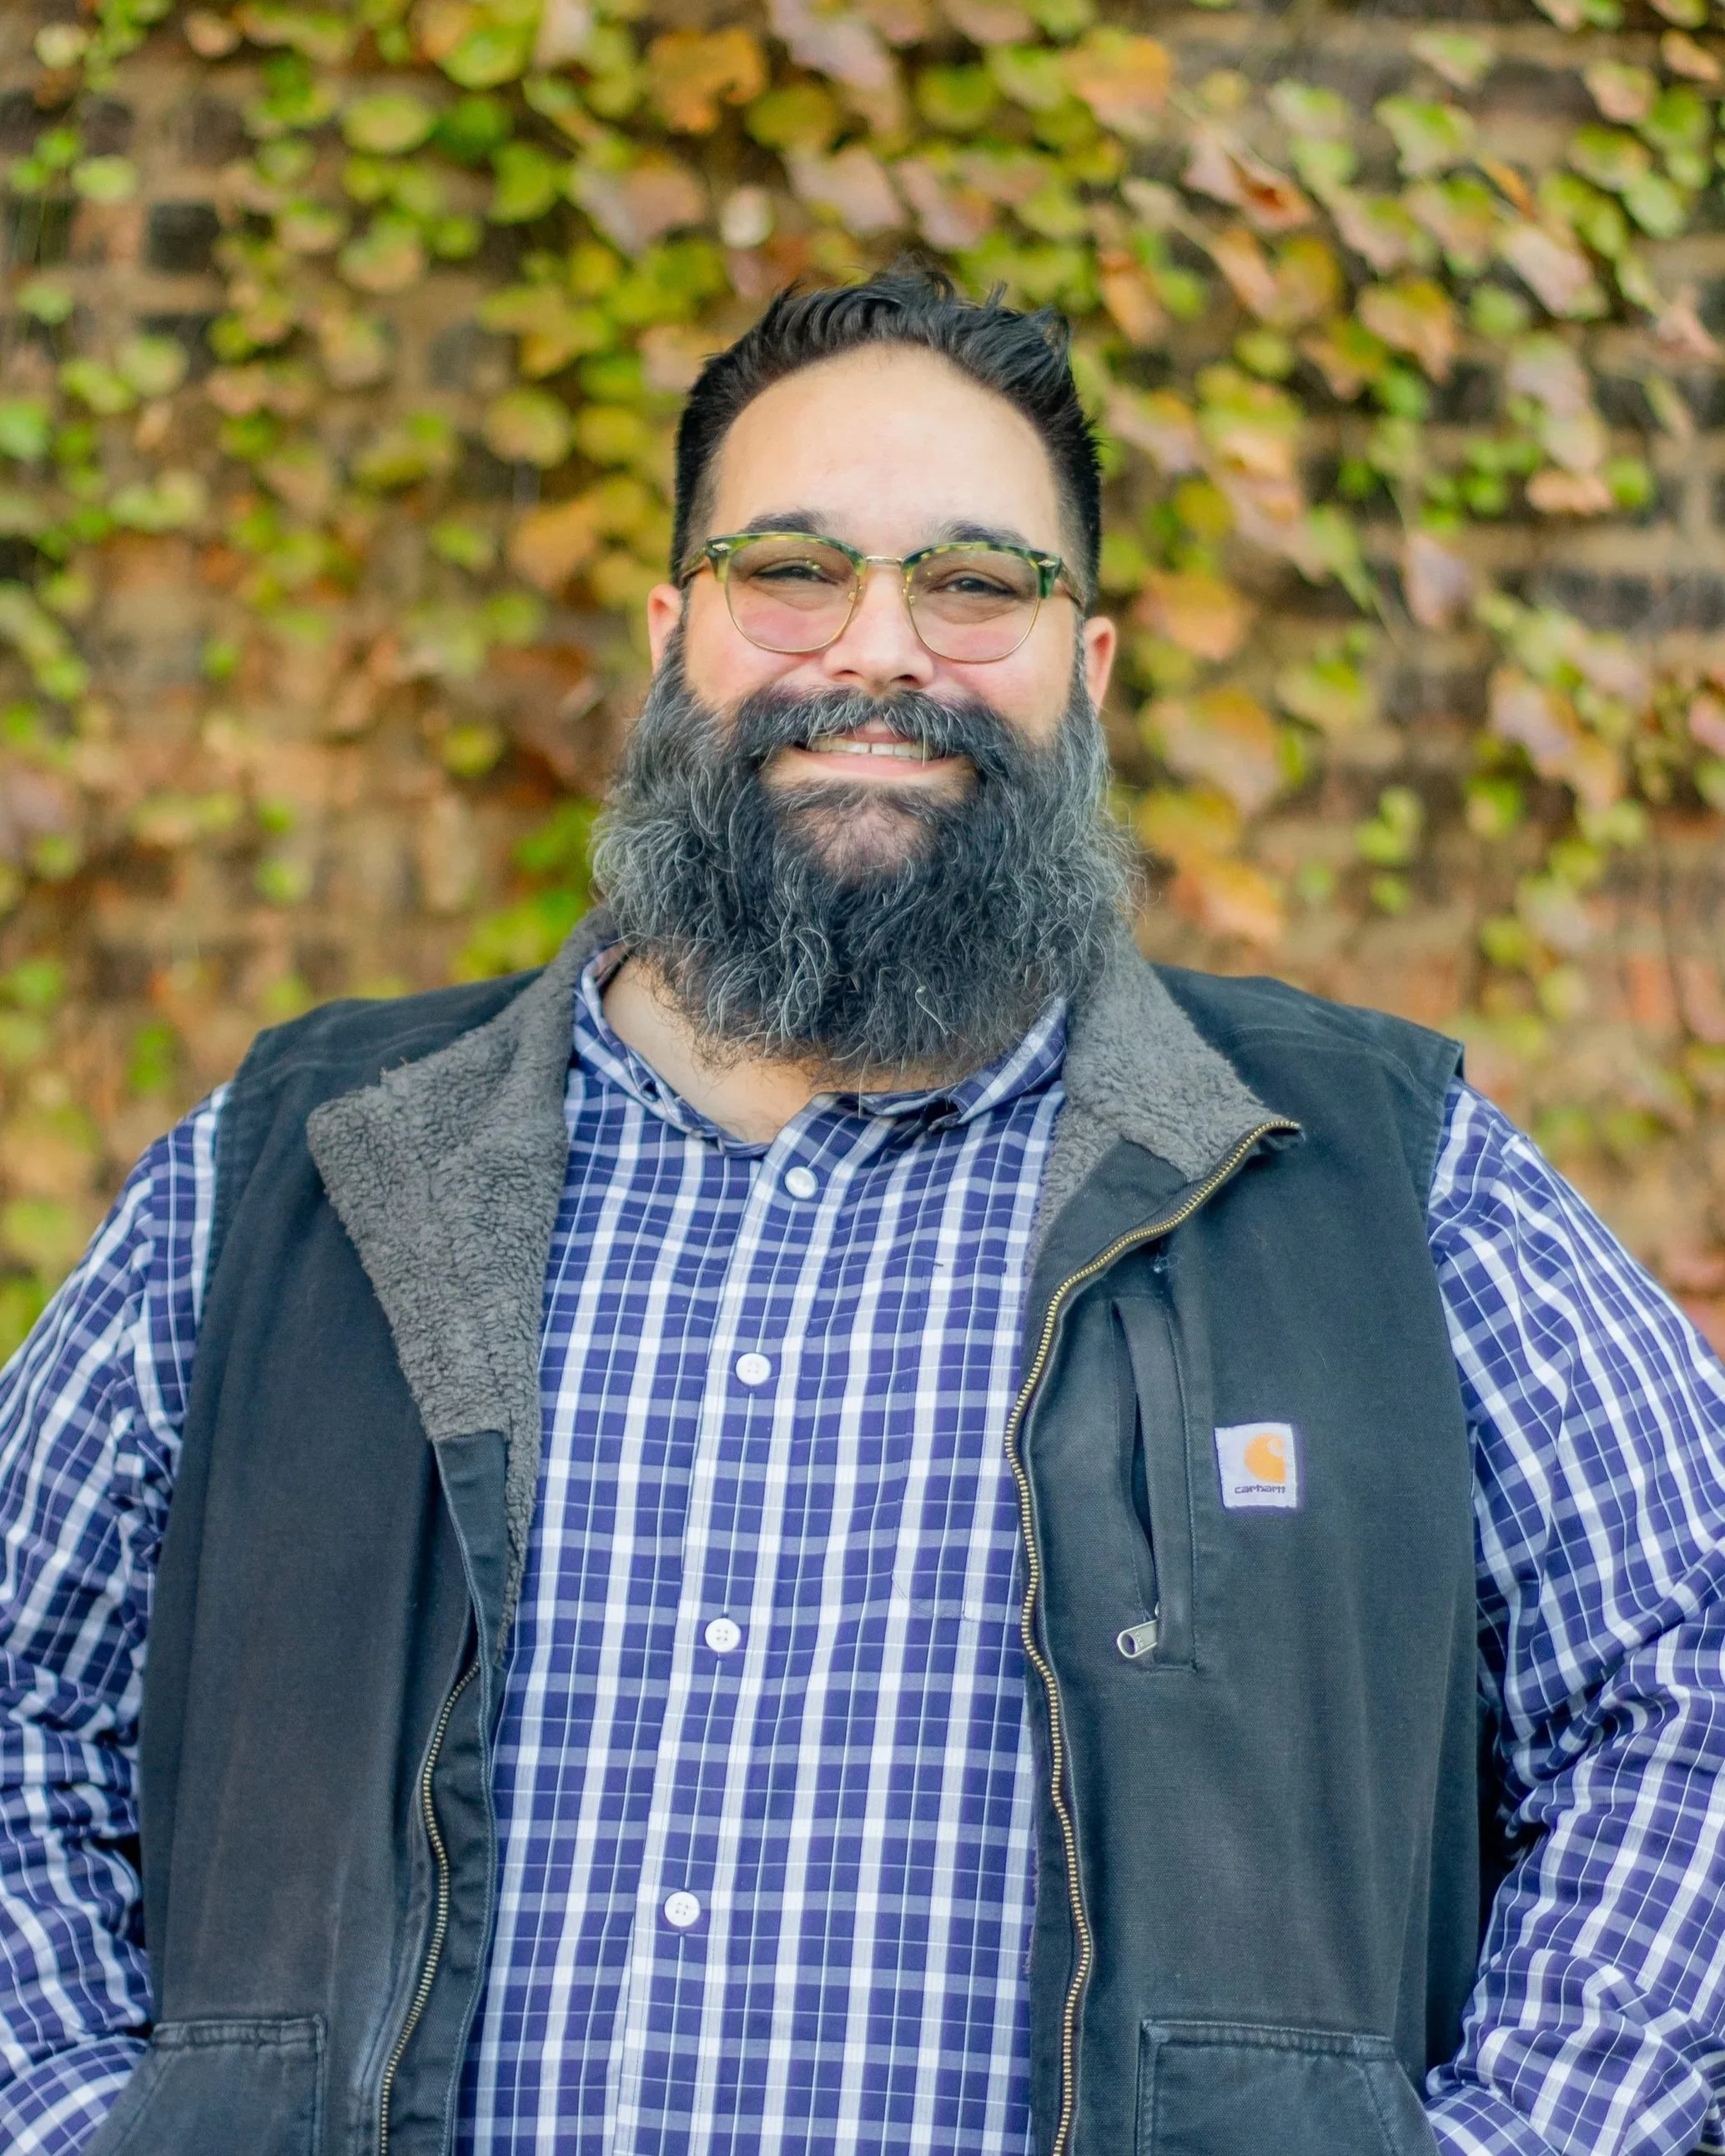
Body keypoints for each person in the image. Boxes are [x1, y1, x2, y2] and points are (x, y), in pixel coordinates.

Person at [2, 266, 1723, 2156]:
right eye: (792, 571)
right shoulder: (293, 1168)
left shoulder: (1378, 1168)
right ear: (677, 633)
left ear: (1090, 665)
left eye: (975, 583)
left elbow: (1686, 1673)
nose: (878, 650)